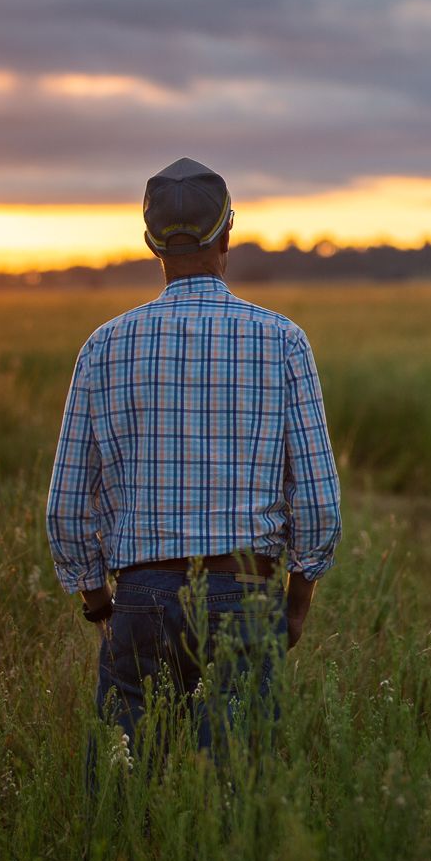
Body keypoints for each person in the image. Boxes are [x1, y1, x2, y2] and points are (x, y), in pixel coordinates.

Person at [47, 156, 340, 750]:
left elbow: (66, 505)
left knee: (128, 794)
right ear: (228, 231)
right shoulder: (282, 340)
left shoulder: (102, 347)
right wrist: (297, 604)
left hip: (140, 594)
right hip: (247, 589)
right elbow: (318, 498)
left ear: (150, 242)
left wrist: (99, 605)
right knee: (238, 797)